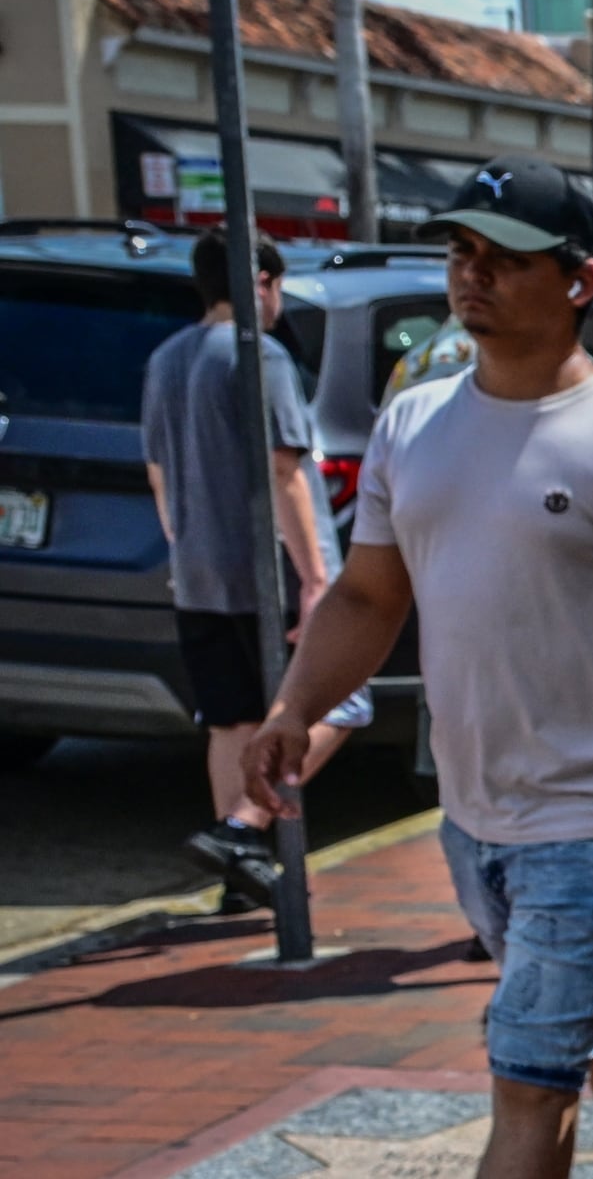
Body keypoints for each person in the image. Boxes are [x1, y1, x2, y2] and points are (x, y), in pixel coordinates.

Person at [243, 155, 593, 1179]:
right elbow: (371, 597)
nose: (472, 275)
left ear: (578, 283)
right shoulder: (414, 423)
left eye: (504, 258)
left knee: (527, 1084)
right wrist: (295, 705)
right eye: (462, 252)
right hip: (473, 817)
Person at [142, 228, 366, 915]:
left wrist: (182, 539)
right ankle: (242, 830)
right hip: (261, 572)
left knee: (229, 720)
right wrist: (315, 576)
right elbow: (285, 471)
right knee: (344, 704)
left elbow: (155, 468)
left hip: (199, 572)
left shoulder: (167, 358)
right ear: (261, 283)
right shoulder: (259, 357)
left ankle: (237, 873)